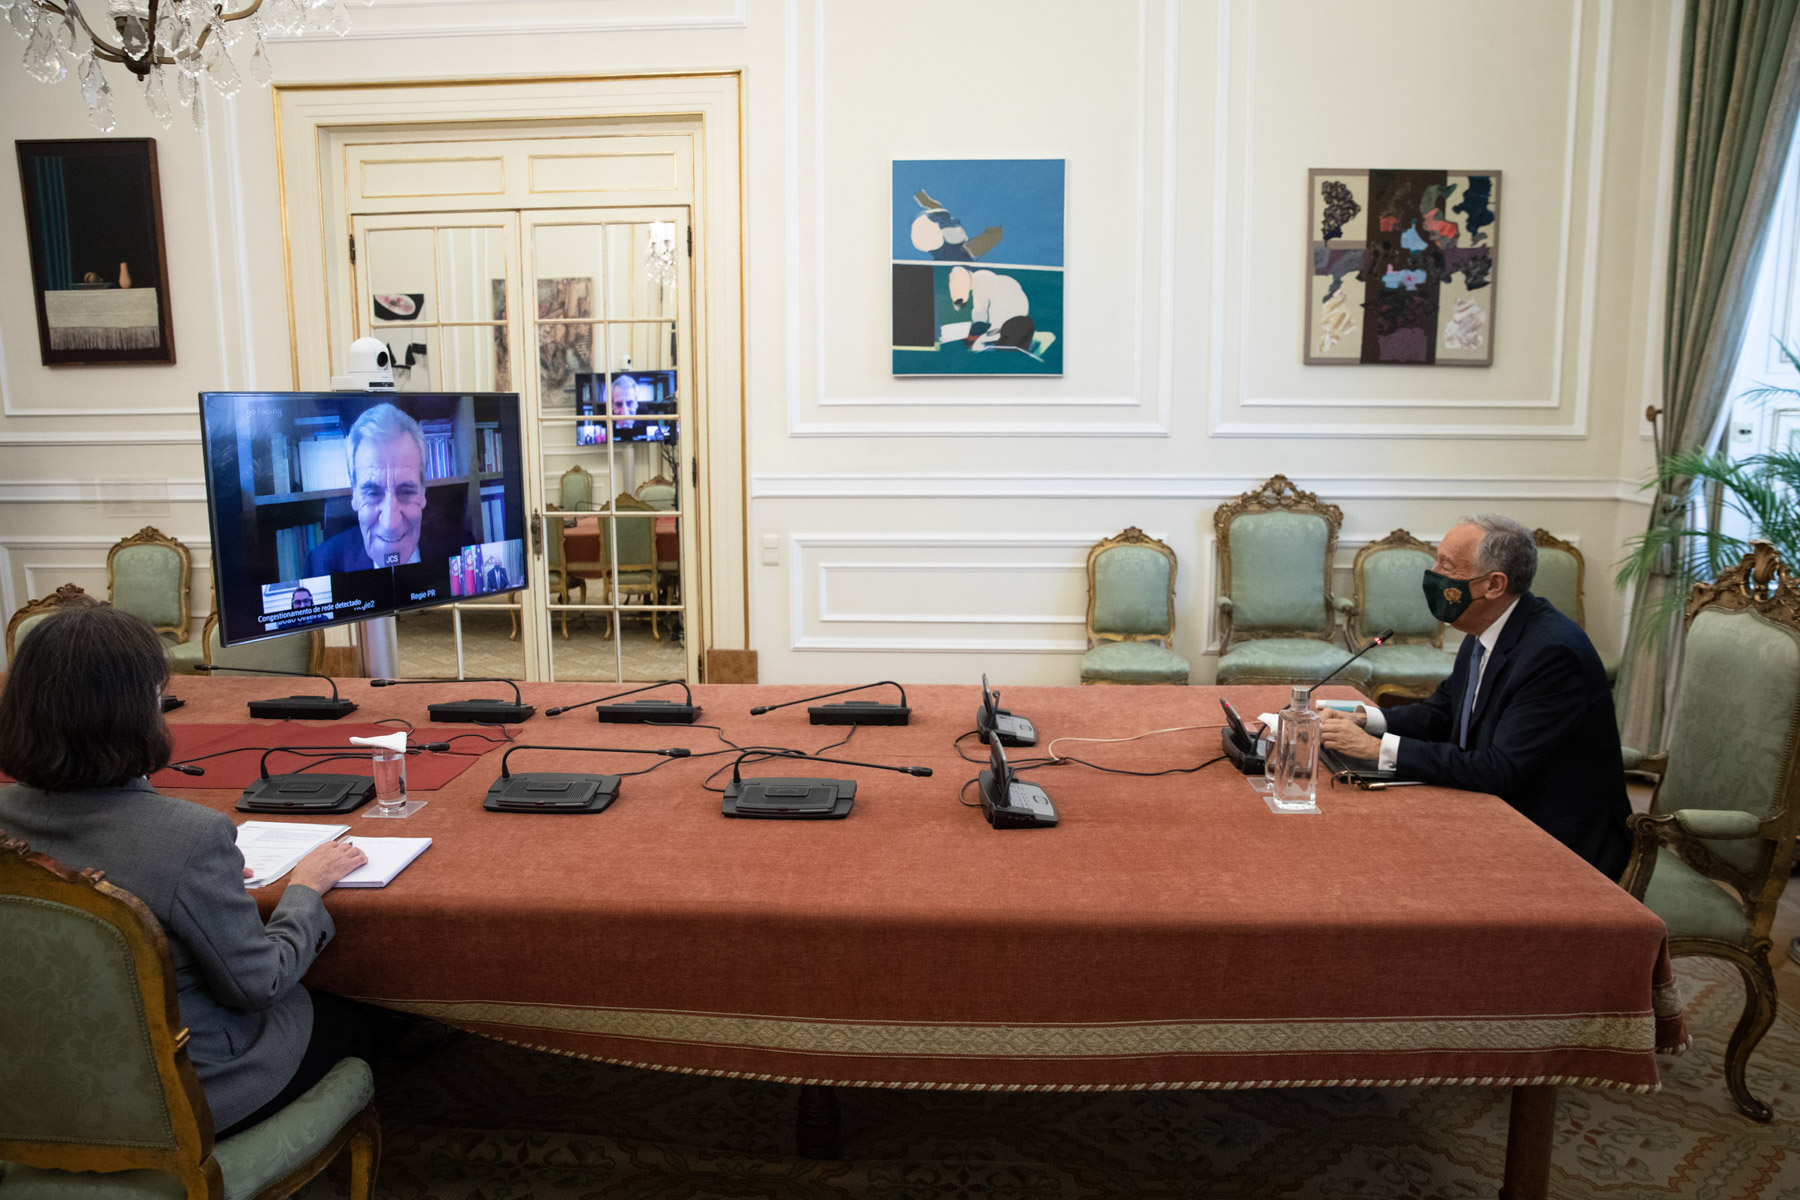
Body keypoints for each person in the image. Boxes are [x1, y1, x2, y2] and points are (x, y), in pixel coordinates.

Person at [0, 604, 376, 1136]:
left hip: (23, 1094)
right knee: (363, 1018)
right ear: (139, 711)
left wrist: (197, 882)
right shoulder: (189, 836)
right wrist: (305, 889)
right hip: (179, 1100)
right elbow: (258, 985)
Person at [1318, 514, 1632, 879]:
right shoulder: (1485, 629)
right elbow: (1443, 713)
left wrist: (1377, 750)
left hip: (1559, 842)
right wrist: (1365, 720)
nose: (1434, 574)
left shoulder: (1553, 654)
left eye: (1448, 566)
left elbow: (1499, 770)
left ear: (1494, 585)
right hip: (1497, 811)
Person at [305, 403, 429, 574]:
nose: (390, 524)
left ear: (423, 491)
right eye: (372, 494)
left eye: (406, 492)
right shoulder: (320, 565)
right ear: (354, 494)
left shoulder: (459, 546)